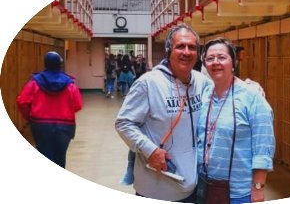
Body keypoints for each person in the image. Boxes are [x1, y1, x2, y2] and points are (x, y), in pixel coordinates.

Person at [115, 24, 211, 202]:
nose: (186, 52)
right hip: (156, 187)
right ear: (169, 51)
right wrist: (150, 150)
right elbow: (123, 123)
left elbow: (224, 92)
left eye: (192, 47)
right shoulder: (148, 83)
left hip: (191, 187)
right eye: (180, 46)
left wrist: (248, 86)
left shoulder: (201, 81)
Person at [197, 38, 275, 203]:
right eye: (210, 58)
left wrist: (258, 187)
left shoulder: (252, 97)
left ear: (233, 63)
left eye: (222, 57)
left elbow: (263, 146)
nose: (215, 62)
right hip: (204, 187)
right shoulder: (204, 94)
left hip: (240, 193)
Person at [16, 51, 83, 168]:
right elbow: (78, 105)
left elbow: (22, 102)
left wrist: (29, 117)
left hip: (40, 125)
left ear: (45, 64)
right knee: (60, 157)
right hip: (65, 126)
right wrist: (65, 111)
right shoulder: (70, 84)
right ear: (60, 65)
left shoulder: (34, 83)